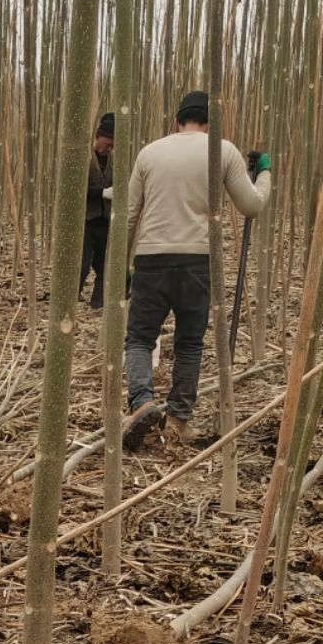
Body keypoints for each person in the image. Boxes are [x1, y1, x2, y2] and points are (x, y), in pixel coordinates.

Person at [120, 90, 272, 450]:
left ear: (177, 121)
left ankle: (141, 402)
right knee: (189, 344)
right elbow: (252, 205)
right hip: (197, 261)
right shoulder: (223, 150)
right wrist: (263, 173)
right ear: (211, 122)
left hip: (151, 258)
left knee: (140, 339)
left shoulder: (149, 152)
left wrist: (122, 265)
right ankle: (177, 421)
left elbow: (127, 216)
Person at [83, 114, 114, 310]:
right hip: (85, 220)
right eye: (107, 142)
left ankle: (98, 302)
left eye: (112, 144)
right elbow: (75, 191)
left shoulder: (115, 160)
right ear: (98, 136)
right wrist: (102, 192)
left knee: (105, 265)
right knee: (82, 264)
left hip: (106, 220)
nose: (109, 147)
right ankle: (70, 298)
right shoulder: (83, 157)